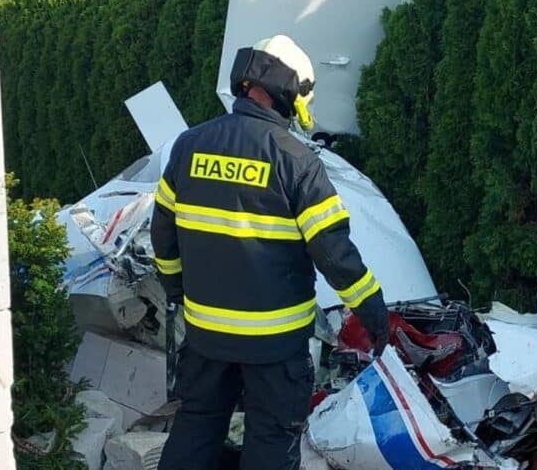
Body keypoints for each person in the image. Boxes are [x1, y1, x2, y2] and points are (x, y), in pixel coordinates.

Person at [152, 34, 390, 469]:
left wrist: (177, 291)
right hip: (275, 347)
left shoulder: (188, 147)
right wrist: (373, 311)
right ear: (288, 92)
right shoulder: (297, 161)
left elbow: (163, 237)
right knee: (269, 441)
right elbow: (334, 254)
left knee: (196, 427)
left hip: (206, 335)